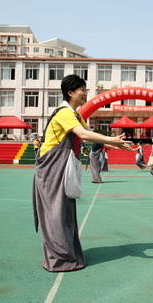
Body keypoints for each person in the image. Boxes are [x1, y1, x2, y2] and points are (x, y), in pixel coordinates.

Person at [33, 74, 132, 272]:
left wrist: (116, 144)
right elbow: (84, 134)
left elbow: (88, 137)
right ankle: (58, 258)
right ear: (70, 92)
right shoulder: (64, 113)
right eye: (82, 90)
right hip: (52, 165)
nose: (85, 94)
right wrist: (113, 141)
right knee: (55, 211)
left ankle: (67, 252)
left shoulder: (76, 115)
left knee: (65, 210)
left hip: (63, 165)